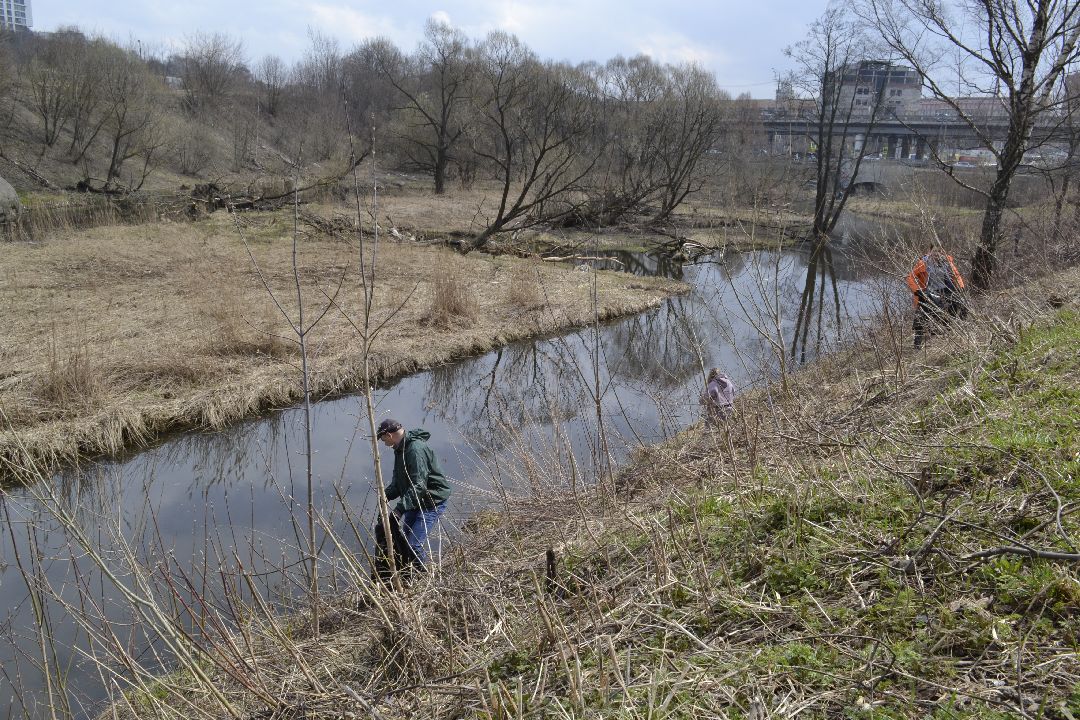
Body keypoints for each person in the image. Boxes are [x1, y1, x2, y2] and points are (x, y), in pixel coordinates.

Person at [375, 418, 451, 572]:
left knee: (413, 545)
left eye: (383, 439)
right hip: (415, 501)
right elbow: (399, 483)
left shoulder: (415, 450)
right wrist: (385, 496)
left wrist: (399, 510)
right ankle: (409, 573)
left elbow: (419, 485)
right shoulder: (400, 450)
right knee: (405, 540)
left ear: (389, 435)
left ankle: (422, 577)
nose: (384, 443)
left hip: (431, 501)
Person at [905, 246, 967, 348]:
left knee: (962, 303)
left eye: (939, 251)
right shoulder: (923, 263)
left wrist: (961, 287)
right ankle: (917, 342)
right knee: (921, 312)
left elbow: (956, 275)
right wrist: (917, 290)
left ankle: (954, 330)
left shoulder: (947, 262)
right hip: (928, 291)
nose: (937, 253)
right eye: (935, 251)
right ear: (930, 252)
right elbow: (910, 277)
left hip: (946, 290)